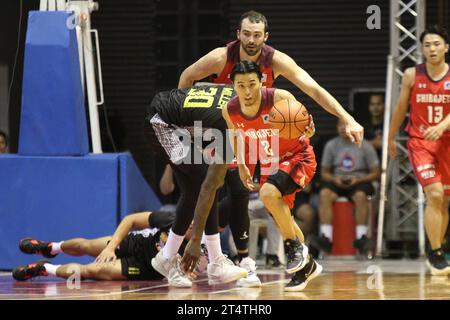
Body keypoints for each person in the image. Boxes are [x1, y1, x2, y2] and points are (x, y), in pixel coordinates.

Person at [178, 10, 363, 284]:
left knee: (270, 204)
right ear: (237, 34)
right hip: (227, 124)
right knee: (211, 187)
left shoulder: (276, 63)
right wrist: (188, 127)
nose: (251, 40)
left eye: (257, 35)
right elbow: (186, 78)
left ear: (265, 37)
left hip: (261, 130)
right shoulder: (220, 57)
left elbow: (312, 89)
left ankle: (249, 259)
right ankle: (221, 255)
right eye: (246, 34)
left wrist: (346, 117)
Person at [145, 83, 248, 287]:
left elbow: (198, 83)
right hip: (160, 123)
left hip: (173, 116)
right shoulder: (226, 124)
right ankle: (216, 260)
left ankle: (166, 256)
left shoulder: (239, 91)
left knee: (194, 191)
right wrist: (195, 239)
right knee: (207, 184)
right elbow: (209, 187)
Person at [388, 26, 450, 276]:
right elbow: (401, 107)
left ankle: (439, 248)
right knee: (434, 194)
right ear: (422, 49)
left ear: (446, 47)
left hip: (446, 142)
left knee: (444, 200)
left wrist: (443, 125)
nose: (431, 49)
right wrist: (391, 137)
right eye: (427, 44)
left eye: (436, 44)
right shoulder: (412, 75)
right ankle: (434, 253)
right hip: (420, 142)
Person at [12, 211, 204, 282]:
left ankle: (45, 268)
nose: (190, 225)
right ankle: (51, 248)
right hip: (135, 243)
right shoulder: (172, 218)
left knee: (89, 271)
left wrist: (187, 272)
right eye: (189, 221)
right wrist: (111, 247)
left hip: (147, 268)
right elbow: (131, 220)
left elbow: (192, 274)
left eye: (195, 224)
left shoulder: (198, 248)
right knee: (84, 245)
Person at [311, 119, 380, 256]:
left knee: (360, 196)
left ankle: (362, 238)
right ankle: (326, 238)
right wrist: (334, 179)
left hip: (359, 180)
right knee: (324, 193)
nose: (343, 128)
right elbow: (324, 172)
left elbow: (375, 172)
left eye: (346, 125)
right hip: (337, 180)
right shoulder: (331, 145)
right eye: (340, 125)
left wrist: (358, 179)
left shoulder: (365, 145)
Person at [364, 93, 384, 161]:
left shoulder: (389, 125)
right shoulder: (364, 127)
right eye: (372, 104)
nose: (375, 108)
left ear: (384, 105)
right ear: (369, 106)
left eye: (378, 104)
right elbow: (358, 146)